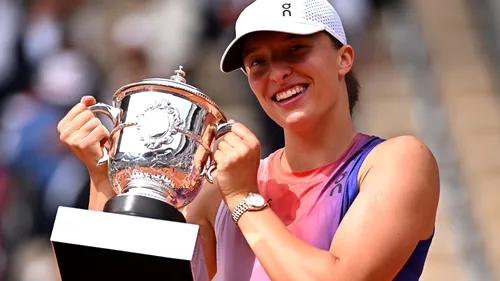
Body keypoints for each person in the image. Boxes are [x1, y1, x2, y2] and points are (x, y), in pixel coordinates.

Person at [57, 0, 440, 280]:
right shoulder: (214, 191)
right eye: (258, 63)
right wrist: (103, 175)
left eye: (296, 49)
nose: (278, 74)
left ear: (344, 58)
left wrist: (243, 198)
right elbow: (115, 275)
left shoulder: (398, 161)